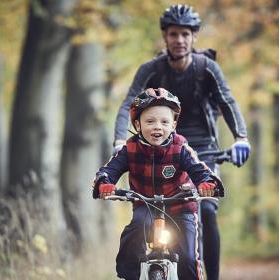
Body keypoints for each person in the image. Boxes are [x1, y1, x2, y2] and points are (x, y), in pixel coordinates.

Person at [113, 4, 251, 280]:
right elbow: (129, 101)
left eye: (185, 34)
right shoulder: (152, 69)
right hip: (160, 145)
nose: (179, 40)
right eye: (174, 34)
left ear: (194, 37)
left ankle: (209, 275)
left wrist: (241, 137)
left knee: (207, 209)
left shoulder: (206, 68)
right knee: (147, 208)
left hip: (203, 147)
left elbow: (226, 100)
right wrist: (119, 139)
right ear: (165, 36)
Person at [93, 88, 224, 280]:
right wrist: (104, 184)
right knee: (137, 226)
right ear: (137, 124)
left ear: (174, 124)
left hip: (181, 207)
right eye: (150, 121)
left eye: (164, 122)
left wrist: (207, 183)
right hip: (145, 205)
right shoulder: (129, 150)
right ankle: (130, 274)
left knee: (188, 258)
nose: (157, 127)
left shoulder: (180, 148)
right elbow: (108, 170)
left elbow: (199, 170)